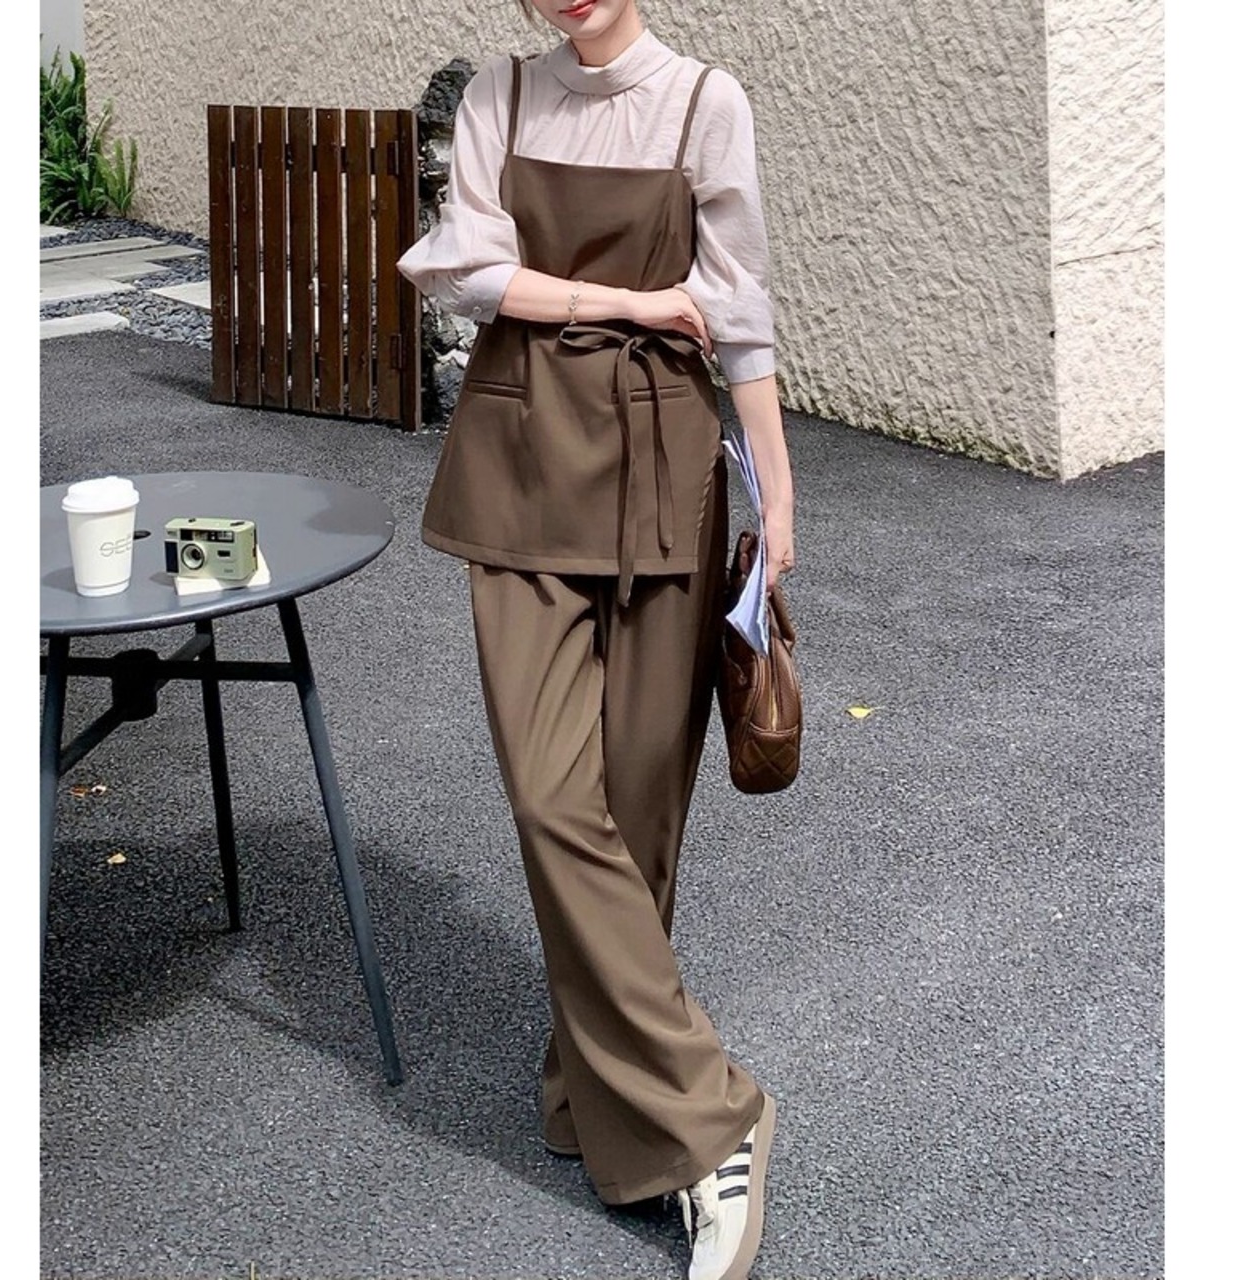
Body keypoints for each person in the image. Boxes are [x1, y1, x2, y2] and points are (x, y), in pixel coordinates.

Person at [397, 2, 796, 1277]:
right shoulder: (500, 95)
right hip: (519, 466)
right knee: (549, 795)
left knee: (637, 801)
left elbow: (736, 309)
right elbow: (465, 270)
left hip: (666, 469)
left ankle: (593, 1081)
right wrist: (624, 300)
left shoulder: (704, 103)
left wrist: (776, 497)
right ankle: (710, 1117)